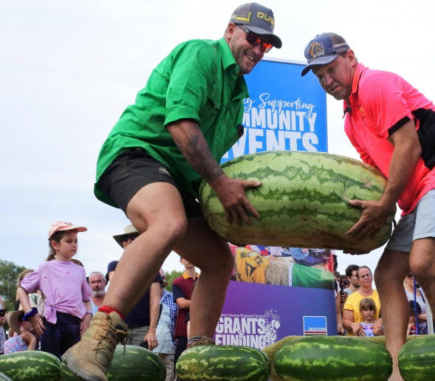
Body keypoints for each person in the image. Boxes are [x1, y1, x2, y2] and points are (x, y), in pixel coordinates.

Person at [62, 4, 282, 379]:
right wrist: (220, 185)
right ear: (230, 30)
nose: (259, 49)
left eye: (267, 45)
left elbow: (206, 165)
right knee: (169, 222)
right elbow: (181, 125)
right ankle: (96, 339)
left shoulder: (236, 99)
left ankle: (198, 356)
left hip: (178, 179)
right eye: (253, 38)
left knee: (218, 260)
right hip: (136, 153)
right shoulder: (200, 54)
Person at [302, 32, 435, 378]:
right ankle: (397, 369)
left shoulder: (374, 85)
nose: (327, 80)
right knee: (386, 274)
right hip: (418, 195)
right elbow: (377, 176)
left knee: (423, 263)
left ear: (350, 57)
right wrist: (355, 231)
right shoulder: (351, 120)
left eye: (330, 69)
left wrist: (385, 205)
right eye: (319, 76)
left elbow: (408, 147)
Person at [18, 221, 92, 358]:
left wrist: (88, 316)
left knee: (73, 365)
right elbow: (21, 290)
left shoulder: (80, 270)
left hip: (74, 325)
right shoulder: (45, 267)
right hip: (53, 322)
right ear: (55, 245)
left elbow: (87, 299)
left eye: (76, 241)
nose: (74, 244)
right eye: (69, 241)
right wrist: (30, 313)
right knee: (52, 363)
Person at [152, 272, 178, 381]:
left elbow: (177, 320)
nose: (159, 280)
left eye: (161, 278)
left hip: (169, 346)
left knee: (169, 375)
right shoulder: (146, 299)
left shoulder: (173, 298)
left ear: (164, 279)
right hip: (151, 346)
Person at [342, 266, 381, 336]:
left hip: (376, 337)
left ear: (372, 277)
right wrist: (352, 325)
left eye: (368, 275)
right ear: (358, 280)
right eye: (363, 276)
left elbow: (389, 314)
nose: (366, 277)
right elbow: (345, 321)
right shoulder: (351, 298)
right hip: (356, 340)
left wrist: (381, 321)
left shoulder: (381, 295)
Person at [172, 258, 198, 363]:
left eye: (191, 256)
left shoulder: (204, 279)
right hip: (183, 328)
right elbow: (181, 303)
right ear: (181, 261)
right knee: (181, 360)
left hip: (202, 325)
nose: (188, 259)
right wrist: (202, 304)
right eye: (185, 257)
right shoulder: (177, 282)